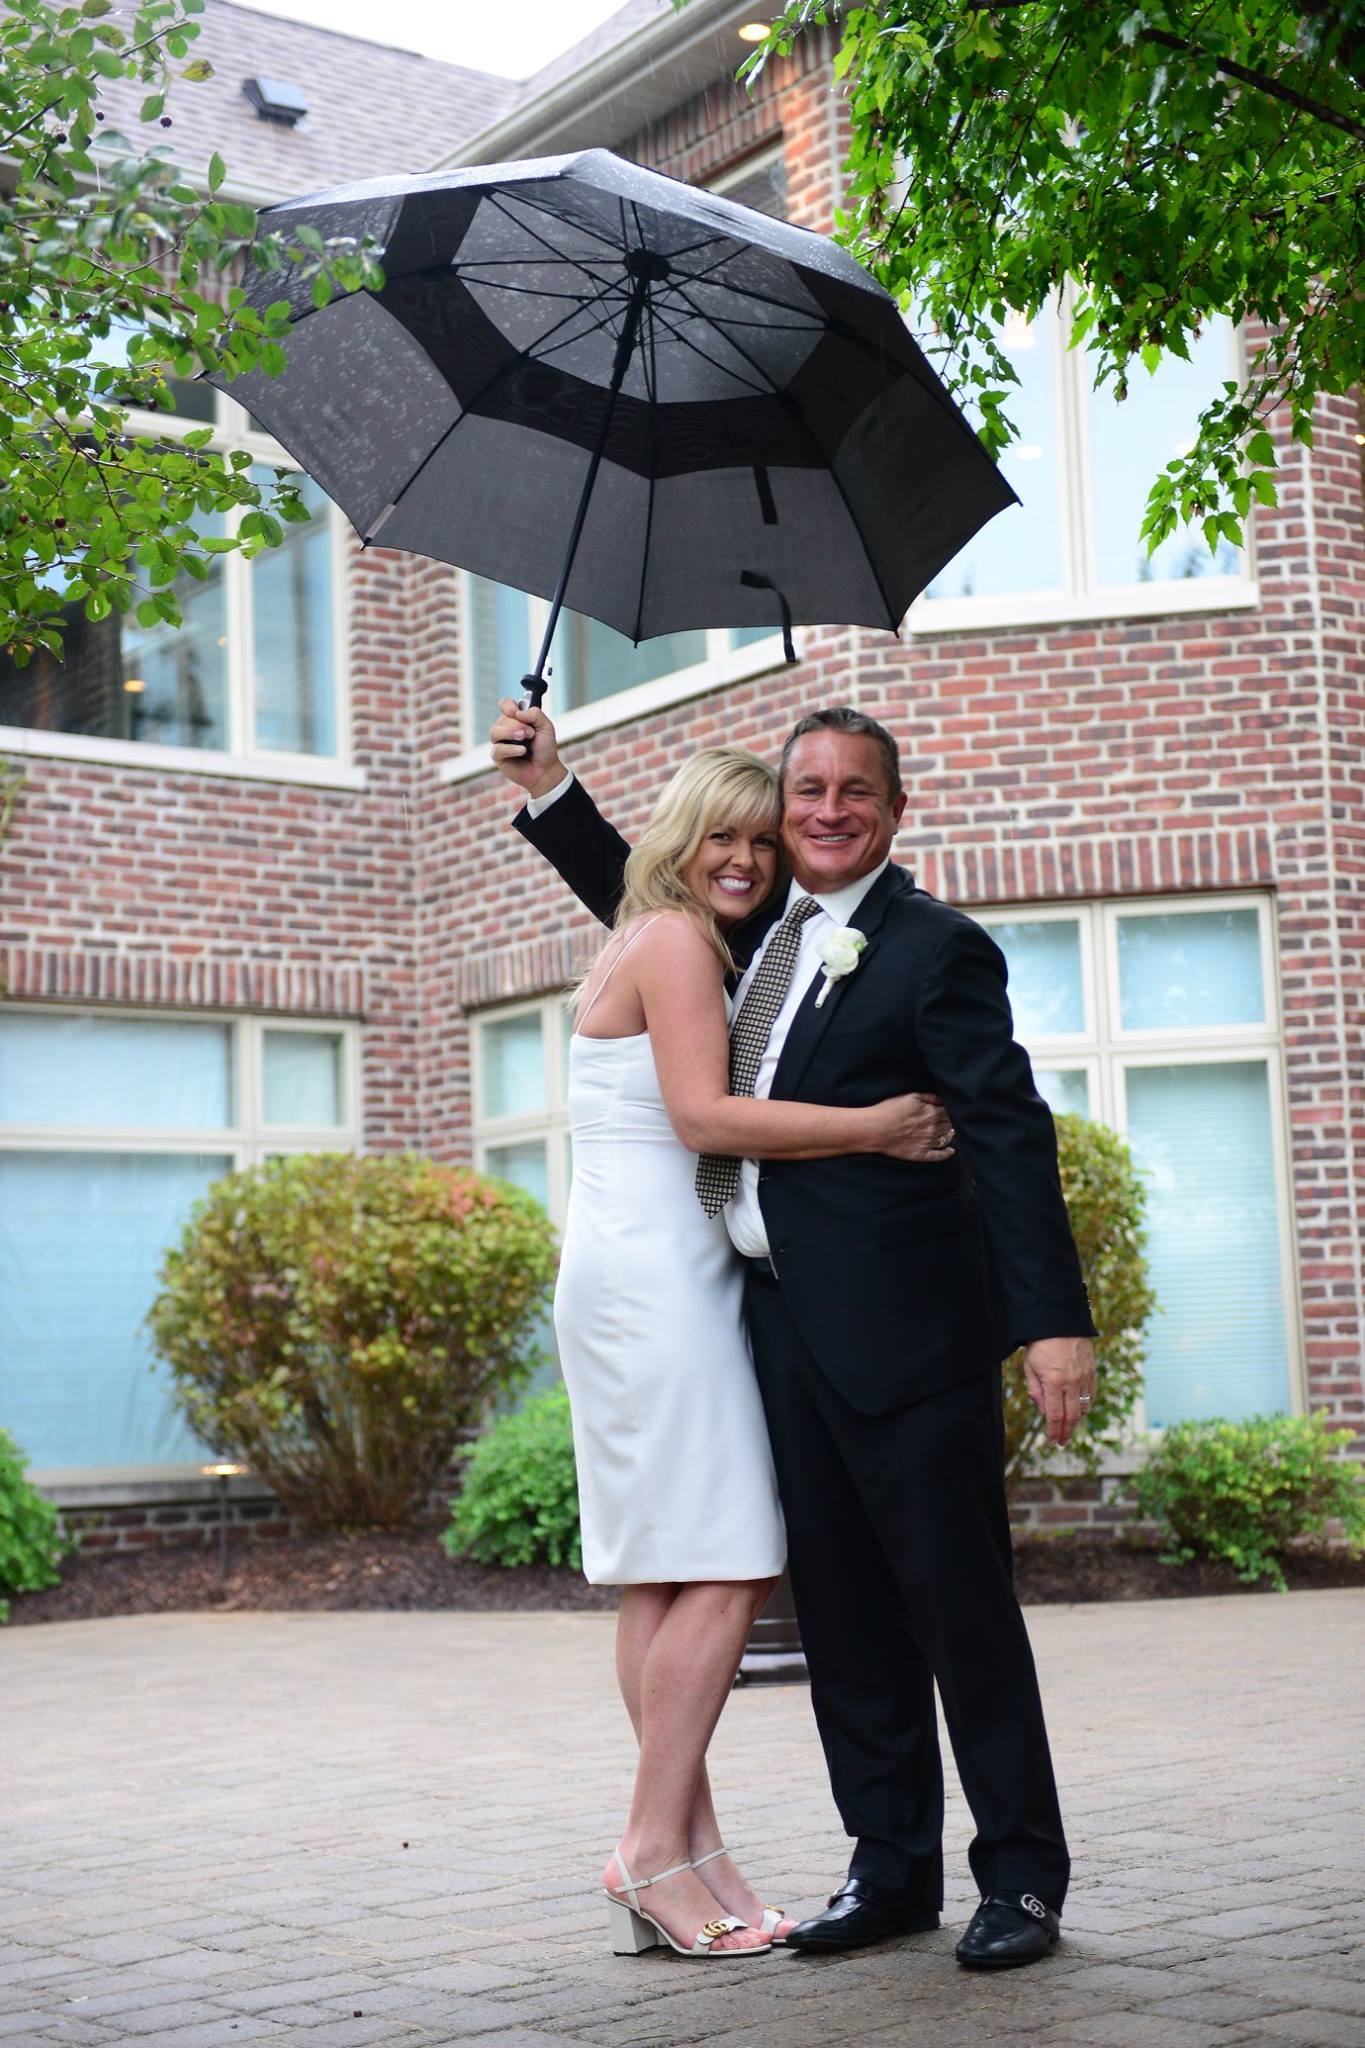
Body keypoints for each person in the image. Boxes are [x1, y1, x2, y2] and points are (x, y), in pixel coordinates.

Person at [491, 698, 1098, 1973]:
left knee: (960, 1615)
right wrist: (552, 793)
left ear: (894, 808)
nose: (824, 812)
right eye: (803, 792)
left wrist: (1053, 1325)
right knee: (843, 1623)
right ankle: (888, 1869)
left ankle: (1022, 1880)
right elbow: (653, 885)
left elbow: (1007, 1132)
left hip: (914, 1342)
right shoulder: (762, 934)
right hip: (771, 1334)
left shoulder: (937, 948)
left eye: (852, 792)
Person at [546, 743, 956, 1962]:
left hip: (634, 1276)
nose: (743, 857)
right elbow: (705, 1117)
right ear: (676, 839)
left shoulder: (653, 935)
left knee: (662, 1573)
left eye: (760, 841)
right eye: (720, 836)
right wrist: (876, 1125)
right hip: (656, 1288)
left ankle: (692, 1849)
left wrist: (549, 790)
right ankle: (648, 1848)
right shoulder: (672, 944)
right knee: (728, 1558)